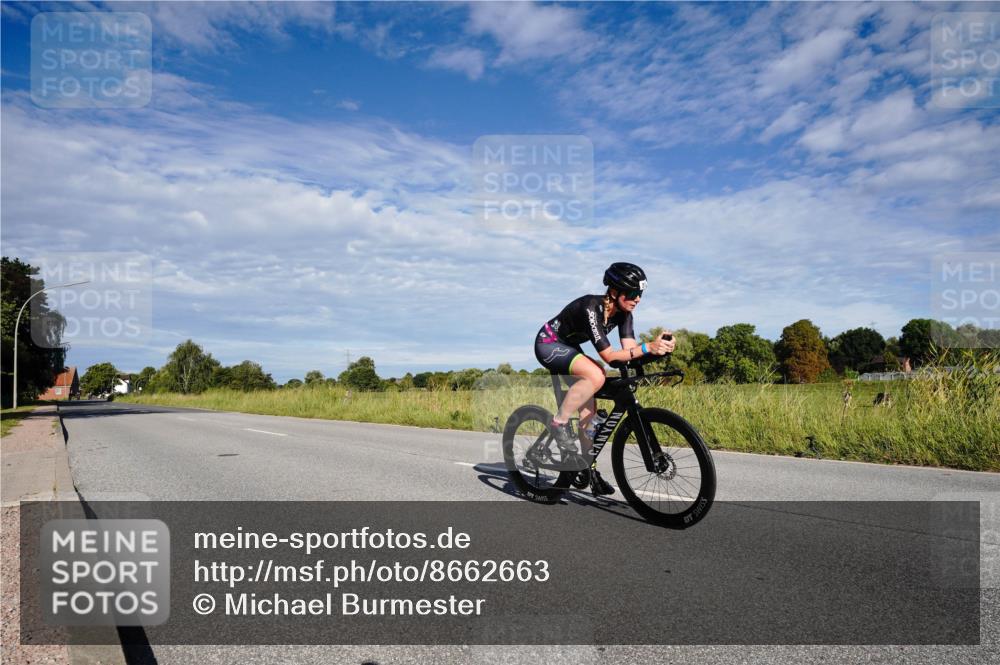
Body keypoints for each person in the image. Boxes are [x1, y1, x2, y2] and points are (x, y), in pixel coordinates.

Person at [534, 262, 674, 496]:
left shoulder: (625, 315)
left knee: (589, 412)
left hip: (569, 346)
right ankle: (558, 423)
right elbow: (610, 356)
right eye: (632, 293)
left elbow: (628, 354)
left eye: (640, 294)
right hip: (549, 343)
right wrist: (648, 346)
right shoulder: (592, 307)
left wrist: (657, 351)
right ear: (614, 291)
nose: (637, 298)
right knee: (596, 374)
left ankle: (587, 468)